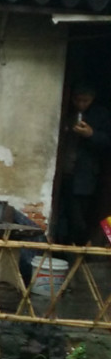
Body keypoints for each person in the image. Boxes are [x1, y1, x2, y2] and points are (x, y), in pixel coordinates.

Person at [60, 84, 111, 243]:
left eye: (85, 100)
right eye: (78, 100)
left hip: (84, 176)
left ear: (93, 98)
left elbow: (107, 142)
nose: (81, 104)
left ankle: (79, 251)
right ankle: (62, 251)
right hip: (64, 173)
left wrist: (91, 134)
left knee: (79, 220)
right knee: (61, 218)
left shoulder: (100, 115)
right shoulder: (65, 110)